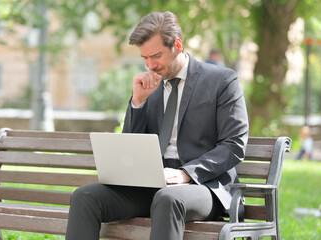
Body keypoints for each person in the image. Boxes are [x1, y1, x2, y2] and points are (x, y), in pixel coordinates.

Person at [66, 11, 249, 240]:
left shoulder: (221, 80)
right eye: (144, 58)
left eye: (156, 55)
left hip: (206, 187)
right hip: (153, 185)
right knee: (85, 196)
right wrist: (138, 102)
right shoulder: (149, 87)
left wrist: (185, 174)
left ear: (178, 45)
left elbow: (234, 145)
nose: (150, 65)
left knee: (168, 199)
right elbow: (130, 147)